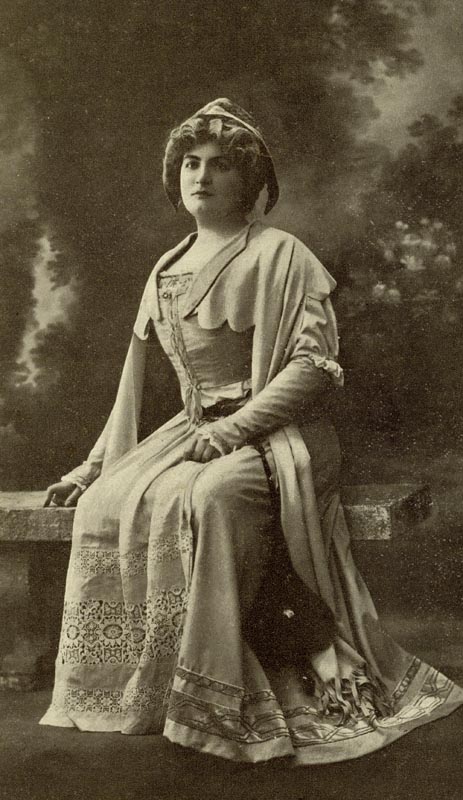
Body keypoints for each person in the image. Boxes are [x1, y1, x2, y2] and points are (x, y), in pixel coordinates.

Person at [40, 99, 463, 764]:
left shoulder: (281, 254)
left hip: (283, 434)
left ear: (252, 181)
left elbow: (313, 369)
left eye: (220, 165)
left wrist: (234, 429)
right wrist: (90, 469)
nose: (201, 175)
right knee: (106, 503)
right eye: (190, 162)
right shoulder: (167, 266)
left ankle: (231, 697)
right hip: (192, 431)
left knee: (208, 496)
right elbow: (132, 391)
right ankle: (146, 689)